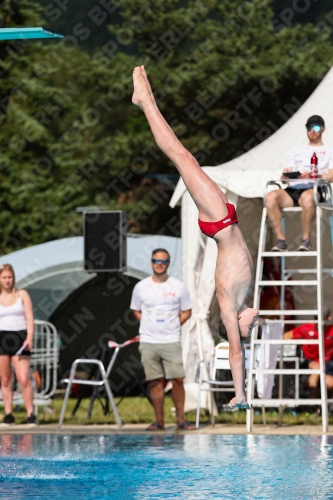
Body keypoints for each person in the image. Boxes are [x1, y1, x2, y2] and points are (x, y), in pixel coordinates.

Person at [132, 66, 259, 410]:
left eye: (250, 327)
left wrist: (240, 394)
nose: (254, 322)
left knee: (181, 156)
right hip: (223, 219)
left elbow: (235, 351)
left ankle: (145, 101)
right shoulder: (244, 298)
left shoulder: (229, 308)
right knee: (183, 158)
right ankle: (145, 101)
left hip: (218, 222)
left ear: (235, 324)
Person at [131, 248, 194, 430]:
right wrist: (148, 322)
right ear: (151, 263)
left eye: (163, 261)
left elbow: (187, 311)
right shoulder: (141, 287)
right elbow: (136, 310)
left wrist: (174, 324)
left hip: (171, 339)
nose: (159, 264)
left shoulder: (178, 286)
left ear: (168, 263)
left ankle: (181, 420)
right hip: (148, 341)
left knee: (178, 379)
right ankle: (159, 421)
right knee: (155, 381)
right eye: (156, 261)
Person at [266, 115, 333, 252]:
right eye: (309, 127)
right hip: (293, 188)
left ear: (323, 129)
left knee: (308, 198)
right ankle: (280, 239)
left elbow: (331, 175)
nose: (312, 131)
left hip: (315, 187)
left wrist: (315, 175)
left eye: (316, 127)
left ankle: (306, 239)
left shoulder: (329, 150)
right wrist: (286, 175)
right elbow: (285, 173)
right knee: (270, 196)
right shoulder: (296, 150)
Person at [0, 264, 36, 425]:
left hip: (20, 337)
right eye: (4, 278)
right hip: (2, 337)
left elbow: (29, 317)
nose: (7, 281)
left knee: (23, 378)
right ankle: (9, 413)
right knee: (5, 379)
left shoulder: (22, 295)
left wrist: (29, 337)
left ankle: (31, 414)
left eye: (9, 277)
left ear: (13, 278)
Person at [283, 307, 333, 399]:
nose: (317, 321)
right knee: (318, 367)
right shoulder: (306, 328)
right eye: (315, 317)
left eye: (321, 318)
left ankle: (324, 407)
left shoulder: (332, 330)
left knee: (329, 383)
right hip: (308, 362)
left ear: (328, 317)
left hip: (327, 364)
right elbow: (287, 336)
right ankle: (311, 404)